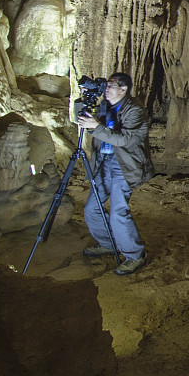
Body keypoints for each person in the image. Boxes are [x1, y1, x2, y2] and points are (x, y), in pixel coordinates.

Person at [75, 72, 153, 275]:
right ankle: (108, 243)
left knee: (118, 212)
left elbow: (124, 139)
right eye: (106, 86)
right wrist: (83, 101)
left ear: (123, 89)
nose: (106, 89)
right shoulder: (105, 106)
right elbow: (81, 121)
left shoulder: (134, 110)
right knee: (91, 209)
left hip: (124, 166)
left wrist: (96, 126)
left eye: (111, 86)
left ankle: (135, 255)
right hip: (104, 163)